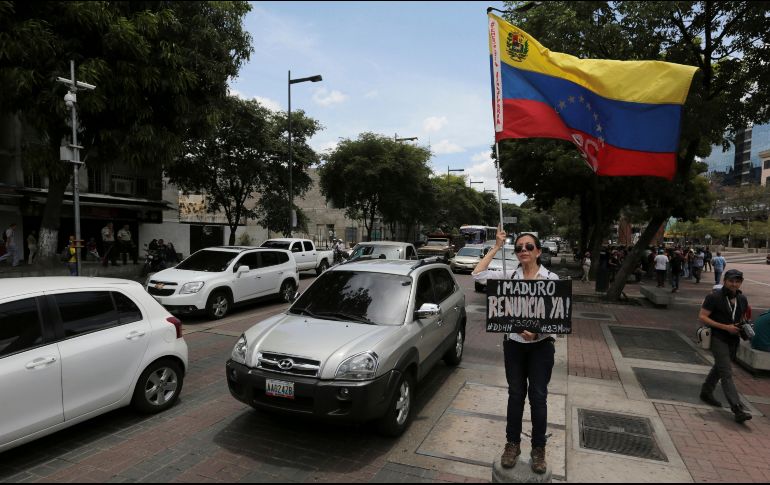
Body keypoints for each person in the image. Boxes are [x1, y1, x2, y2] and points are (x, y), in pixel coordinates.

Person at [472, 228, 557, 475]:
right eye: (519, 247)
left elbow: (558, 319)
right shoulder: (509, 276)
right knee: (515, 395)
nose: (523, 251)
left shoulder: (551, 279)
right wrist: (497, 247)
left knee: (538, 397)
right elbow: (477, 275)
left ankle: (538, 448)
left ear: (538, 251)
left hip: (541, 348)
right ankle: (512, 445)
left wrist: (538, 333)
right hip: (514, 346)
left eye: (529, 247)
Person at [699, 269, 752, 423]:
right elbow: (702, 316)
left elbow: (742, 316)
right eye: (731, 281)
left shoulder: (742, 299)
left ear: (741, 282)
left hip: (733, 339)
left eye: (737, 281)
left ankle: (706, 392)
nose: (734, 284)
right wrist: (725, 327)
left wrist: (744, 327)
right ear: (725, 281)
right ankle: (737, 408)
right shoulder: (714, 297)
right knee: (726, 372)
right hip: (718, 337)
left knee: (720, 367)